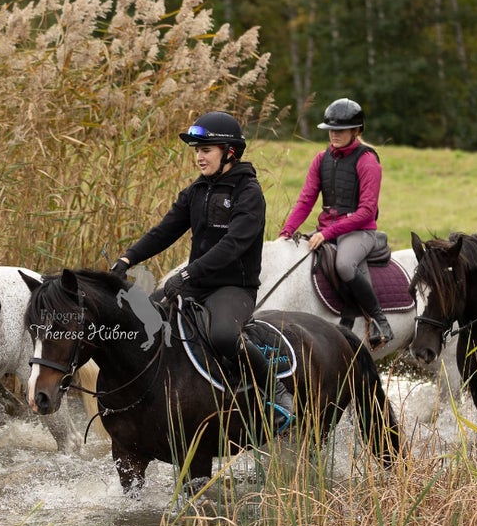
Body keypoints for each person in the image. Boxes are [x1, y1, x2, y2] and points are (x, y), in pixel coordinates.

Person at [109, 111, 294, 430]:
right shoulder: (196, 191)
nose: (198, 157)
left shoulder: (248, 193)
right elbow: (164, 230)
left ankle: (276, 389)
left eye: (205, 150)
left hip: (234, 288)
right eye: (196, 150)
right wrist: (128, 259)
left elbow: (233, 245)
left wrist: (187, 274)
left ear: (229, 152)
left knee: (223, 336)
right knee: (143, 322)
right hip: (195, 283)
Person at [278, 98, 394, 347]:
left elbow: (366, 211)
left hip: (360, 230)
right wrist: (286, 231)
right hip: (328, 229)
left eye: (340, 130)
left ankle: (379, 319)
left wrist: (329, 232)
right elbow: (306, 200)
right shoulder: (321, 159)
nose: (334, 134)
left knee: (344, 264)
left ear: (356, 131)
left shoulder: (367, 161)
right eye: (330, 129)